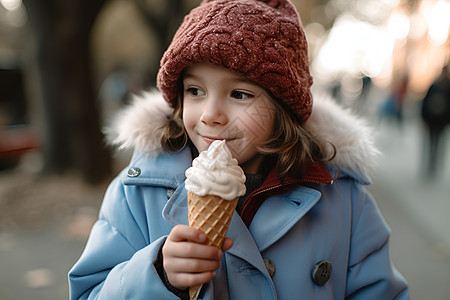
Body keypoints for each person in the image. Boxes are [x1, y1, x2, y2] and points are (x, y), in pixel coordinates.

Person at [69, 1, 409, 299]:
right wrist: (156, 275)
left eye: (240, 94)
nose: (210, 115)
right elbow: (89, 293)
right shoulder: (136, 194)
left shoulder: (345, 201)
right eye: (195, 90)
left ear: (282, 108)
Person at [420, 64, 450, 177]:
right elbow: (425, 103)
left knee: (439, 143)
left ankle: (436, 164)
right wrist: (424, 119)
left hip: (441, 123)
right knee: (430, 143)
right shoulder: (434, 86)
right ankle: (429, 164)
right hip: (431, 121)